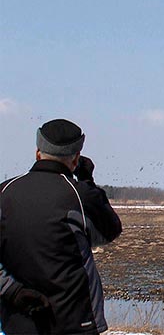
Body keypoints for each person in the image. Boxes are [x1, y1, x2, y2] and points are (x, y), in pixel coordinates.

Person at [0, 119, 122, 334]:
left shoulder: (5, 192)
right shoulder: (78, 194)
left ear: (38, 152)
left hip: (18, 318)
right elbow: (109, 232)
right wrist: (87, 182)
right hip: (73, 319)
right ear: (76, 158)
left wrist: (13, 291)